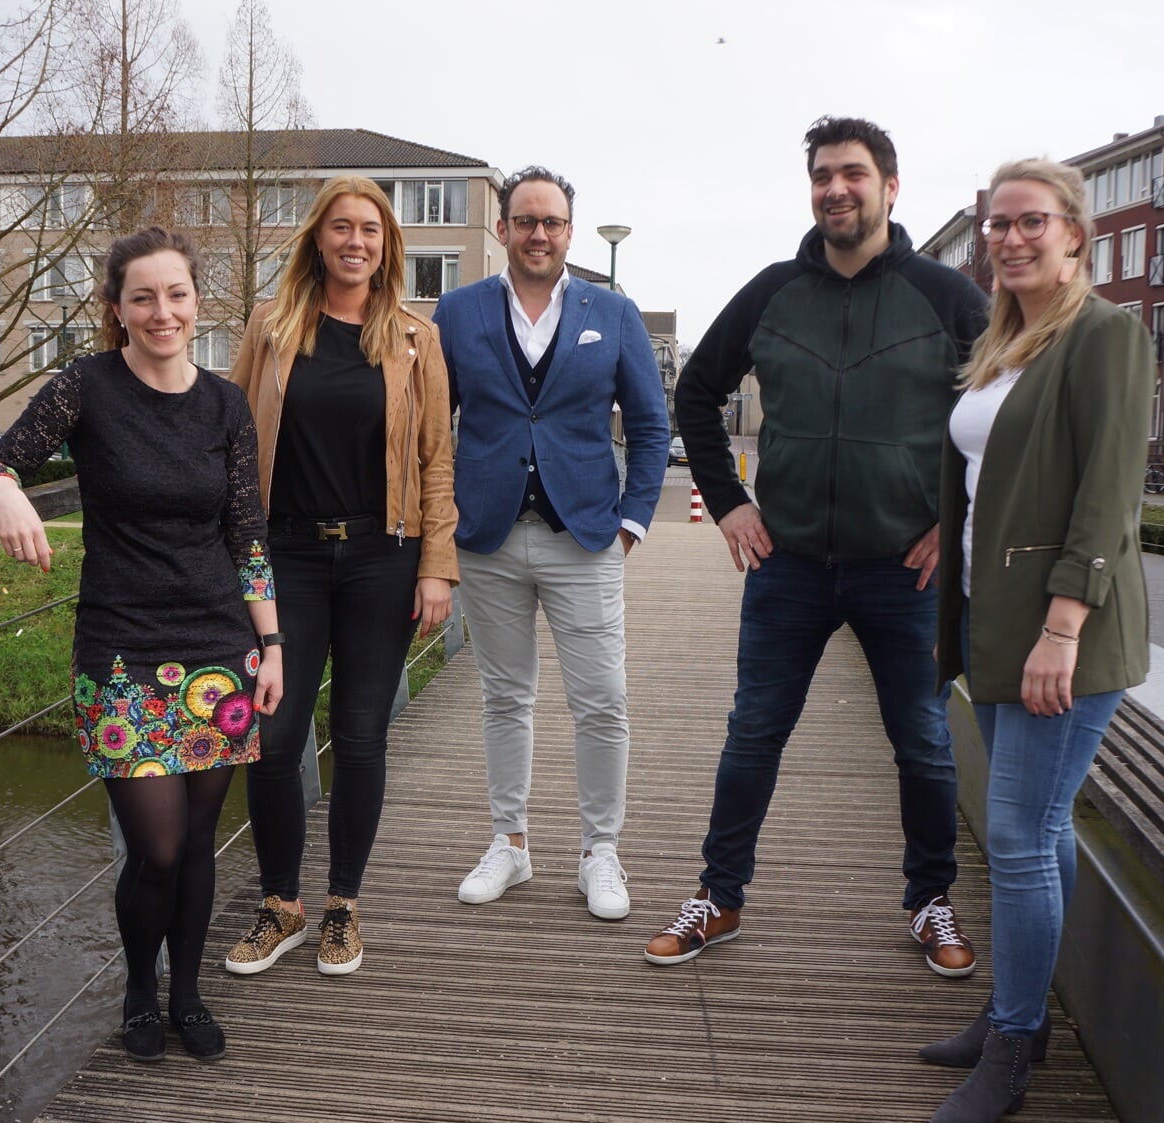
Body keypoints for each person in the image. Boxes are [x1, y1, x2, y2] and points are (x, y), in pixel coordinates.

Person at [650, 118, 988, 976]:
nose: (836, 189)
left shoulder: (946, 298)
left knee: (921, 740)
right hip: (789, 564)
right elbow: (694, 394)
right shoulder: (772, 292)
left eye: (853, 174)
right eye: (822, 176)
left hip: (901, 572)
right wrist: (726, 502)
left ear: (890, 186)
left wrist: (960, 519)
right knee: (752, 733)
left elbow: (1006, 416)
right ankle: (719, 895)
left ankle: (930, 900)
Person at [0, 225, 282, 1064]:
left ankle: (187, 995)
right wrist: (8, 497)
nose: (160, 311)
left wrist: (273, 643)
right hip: (121, 655)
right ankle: (141, 989)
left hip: (221, 649)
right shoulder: (87, 387)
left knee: (202, 836)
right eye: (141, 297)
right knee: (159, 845)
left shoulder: (224, 404)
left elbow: (247, 534)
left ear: (196, 301)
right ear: (116, 309)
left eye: (174, 294)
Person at [919, 158, 1154, 1123]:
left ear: (1075, 236)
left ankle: (1016, 1041)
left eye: (1030, 223)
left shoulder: (1106, 335)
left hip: (1065, 634)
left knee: (1016, 835)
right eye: (997, 226)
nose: (1009, 239)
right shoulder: (1002, 343)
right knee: (1039, 829)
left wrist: (1064, 625)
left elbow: (1108, 492)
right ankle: (1019, 1012)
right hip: (1000, 623)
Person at [225, 175, 457, 977]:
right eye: (340, 228)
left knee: (360, 736)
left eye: (370, 229)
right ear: (317, 238)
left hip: (380, 558)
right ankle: (280, 904)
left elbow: (435, 460)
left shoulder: (415, 340)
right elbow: (227, 434)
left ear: (387, 243)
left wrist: (437, 566)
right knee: (275, 737)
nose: (355, 241)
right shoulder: (270, 326)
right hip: (284, 554)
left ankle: (342, 908)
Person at [432, 165, 668, 921]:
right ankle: (512, 842)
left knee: (602, 701)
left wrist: (632, 522)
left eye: (553, 222)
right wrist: (441, 528)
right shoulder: (458, 311)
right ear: (502, 228)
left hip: (586, 537)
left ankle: (601, 850)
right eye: (526, 220)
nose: (540, 234)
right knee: (506, 697)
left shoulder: (615, 311)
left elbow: (651, 424)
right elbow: (435, 429)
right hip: (489, 539)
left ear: (570, 230)